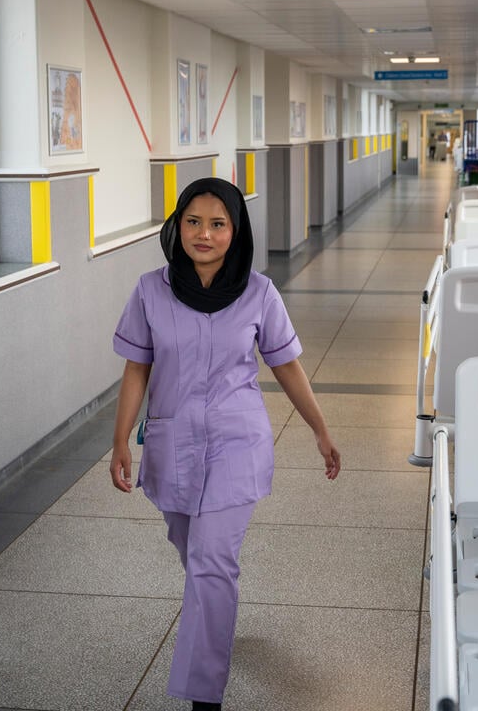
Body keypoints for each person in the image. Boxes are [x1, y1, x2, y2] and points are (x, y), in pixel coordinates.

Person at [110, 177, 341, 711]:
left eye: (218, 224)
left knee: (212, 561)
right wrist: (120, 439)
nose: (204, 234)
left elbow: (286, 365)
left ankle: (203, 696)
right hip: (172, 443)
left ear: (236, 232)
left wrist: (320, 428)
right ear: (177, 226)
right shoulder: (150, 291)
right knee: (193, 551)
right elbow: (136, 368)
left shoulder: (260, 293)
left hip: (238, 443)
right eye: (193, 222)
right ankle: (215, 620)